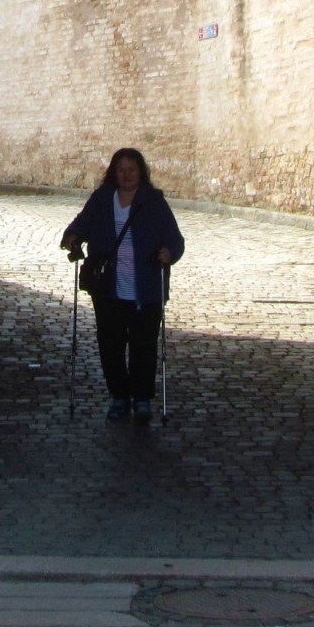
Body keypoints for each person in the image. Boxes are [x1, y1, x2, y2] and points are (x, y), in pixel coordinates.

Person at [61, 147, 185, 424]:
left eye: (132, 169)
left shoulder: (154, 202)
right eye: (121, 169)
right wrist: (72, 239)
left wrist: (169, 253)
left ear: (141, 172)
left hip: (147, 289)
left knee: (143, 348)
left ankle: (141, 398)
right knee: (111, 346)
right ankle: (119, 396)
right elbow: (77, 227)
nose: (127, 174)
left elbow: (175, 240)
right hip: (108, 288)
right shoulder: (102, 199)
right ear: (113, 173)